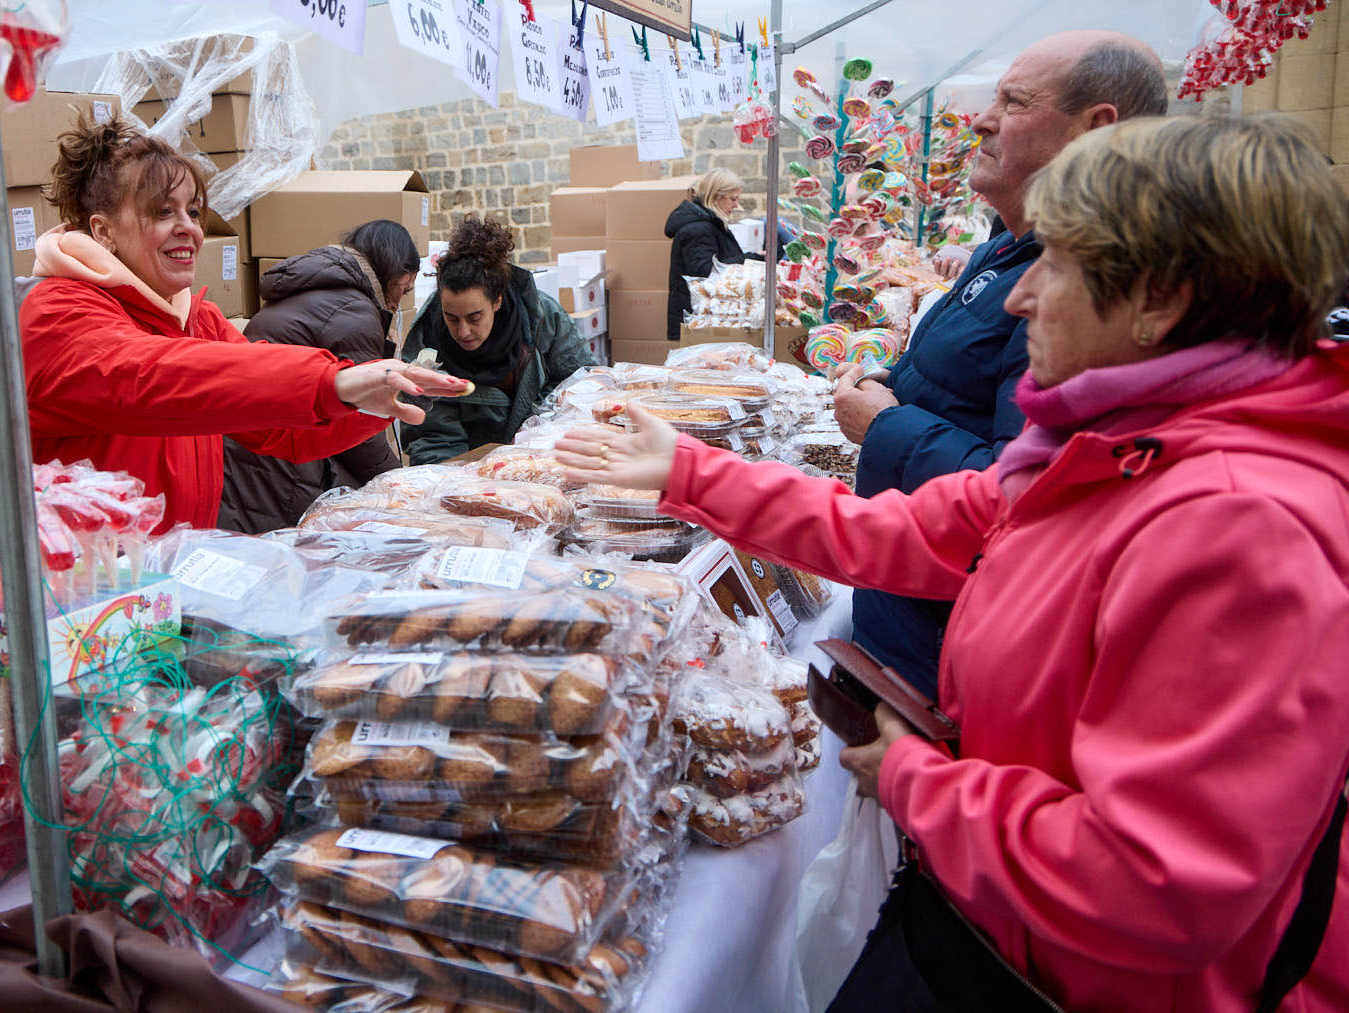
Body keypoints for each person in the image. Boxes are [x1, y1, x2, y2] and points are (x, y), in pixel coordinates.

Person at [555, 115, 1349, 1012]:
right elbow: (906, 532)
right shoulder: (1103, 451)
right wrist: (691, 470)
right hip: (1008, 940)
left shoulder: (1239, 525)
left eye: (1056, 264)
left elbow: (1157, 881)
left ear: (1159, 299)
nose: (1019, 299)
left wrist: (917, 779)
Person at [0, 115, 468, 587]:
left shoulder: (193, 318)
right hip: (22, 604)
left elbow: (276, 429)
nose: (188, 228)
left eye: (193, 211)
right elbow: (149, 377)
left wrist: (359, 405)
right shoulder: (54, 313)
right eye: (164, 212)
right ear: (102, 231)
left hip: (138, 595)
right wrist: (329, 381)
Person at [831, 30, 1167, 698]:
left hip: (949, 658)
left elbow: (1020, 495)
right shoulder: (1007, 250)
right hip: (909, 612)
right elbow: (959, 387)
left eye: (1012, 102)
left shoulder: (1085, 295)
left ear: (1094, 128)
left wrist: (884, 425)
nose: (981, 118)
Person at [217, 220, 419, 533]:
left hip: (247, 453)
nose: (397, 302)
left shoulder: (311, 287)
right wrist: (402, 485)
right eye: (401, 289)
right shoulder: (354, 311)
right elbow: (359, 424)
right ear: (388, 272)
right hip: (287, 468)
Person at [399, 214, 591, 464]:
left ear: (497, 300)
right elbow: (432, 440)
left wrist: (536, 430)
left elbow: (581, 384)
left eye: (475, 317)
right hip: (468, 475)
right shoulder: (426, 350)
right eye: (452, 318)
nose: (463, 332)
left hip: (546, 460)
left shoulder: (543, 318)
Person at [664, 167, 794, 339]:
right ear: (716, 196)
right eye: (733, 199)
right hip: (697, 320)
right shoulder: (697, 229)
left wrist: (752, 258)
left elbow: (721, 261)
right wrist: (751, 258)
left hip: (706, 317)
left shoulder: (710, 224)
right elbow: (706, 271)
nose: (736, 205)